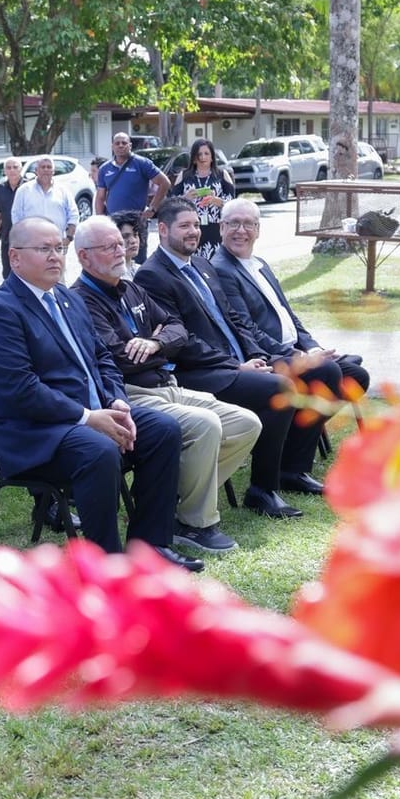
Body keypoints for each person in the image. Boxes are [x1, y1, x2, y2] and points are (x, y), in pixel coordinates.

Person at [0, 219, 196, 568]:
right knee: (99, 450)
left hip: (91, 414)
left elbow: (102, 357)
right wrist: (89, 418)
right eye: (44, 249)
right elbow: (20, 390)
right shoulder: (0, 311)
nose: (55, 257)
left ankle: (150, 547)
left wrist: (116, 401)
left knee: (163, 429)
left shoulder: (67, 298)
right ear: (15, 258)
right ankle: (107, 565)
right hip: (36, 433)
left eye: (59, 248)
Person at [73, 216, 261, 555]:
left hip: (167, 384)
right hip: (131, 394)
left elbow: (178, 328)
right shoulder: (81, 300)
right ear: (84, 257)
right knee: (206, 425)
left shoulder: (130, 287)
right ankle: (196, 523)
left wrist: (156, 344)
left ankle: (172, 505)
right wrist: (156, 340)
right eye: (108, 246)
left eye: (121, 243)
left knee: (247, 423)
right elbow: (119, 358)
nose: (121, 250)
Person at [136, 199, 319, 516]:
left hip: (238, 362)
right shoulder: (152, 276)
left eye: (195, 225)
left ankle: (291, 471)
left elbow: (233, 318)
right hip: (197, 371)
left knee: (311, 371)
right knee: (281, 388)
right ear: (162, 230)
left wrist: (256, 355)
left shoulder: (201, 265)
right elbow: (183, 342)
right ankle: (263, 490)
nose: (194, 232)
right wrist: (235, 365)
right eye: (185, 226)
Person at [213, 200, 370, 416]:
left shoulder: (260, 264)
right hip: (270, 356)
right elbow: (247, 329)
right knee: (328, 370)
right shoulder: (222, 269)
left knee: (357, 376)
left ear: (258, 230)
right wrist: (298, 355)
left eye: (249, 224)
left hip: (295, 350)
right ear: (222, 227)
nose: (241, 231)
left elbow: (287, 314)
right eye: (234, 224)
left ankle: (301, 428)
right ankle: (298, 437)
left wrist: (312, 347)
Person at [94, 132, 170, 259]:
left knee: (137, 260)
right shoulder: (104, 169)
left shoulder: (142, 163)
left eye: (124, 143)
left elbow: (165, 183)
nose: (121, 146)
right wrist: (101, 221)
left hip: (136, 221)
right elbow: (100, 197)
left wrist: (153, 208)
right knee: (114, 259)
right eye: (117, 143)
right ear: (112, 146)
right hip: (114, 222)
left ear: (130, 145)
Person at [167, 139, 236, 250]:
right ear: (194, 158)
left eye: (206, 154)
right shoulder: (184, 176)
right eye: (199, 154)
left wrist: (217, 201)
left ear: (212, 157)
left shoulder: (222, 175)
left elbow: (234, 205)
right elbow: (171, 205)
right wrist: (185, 198)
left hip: (216, 228)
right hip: (191, 230)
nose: (203, 157)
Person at [10, 156, 80, 258]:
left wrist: (68, 238)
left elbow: (73, 215)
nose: (46, 170)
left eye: (49, 167)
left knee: (57, 272)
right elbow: (16, 217)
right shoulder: (24, 190)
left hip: (57, 244)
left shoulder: (63, 190)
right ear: (36, 171)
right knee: (34, 272)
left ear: (53, 171)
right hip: (32, 244)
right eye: (42, 167)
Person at [0, 158, 24, 275]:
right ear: (5, 171)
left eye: (15, 167)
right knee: (8, 271)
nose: (12, 170)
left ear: (21, 169)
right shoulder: (0, 189)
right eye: (8, 168)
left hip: (27, 237)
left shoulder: (29, 187)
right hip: (7, 238)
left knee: (26, 270)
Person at [111, 210, 144, 279]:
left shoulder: (141, 270)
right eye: (125, 236)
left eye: (135, 235)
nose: (133, 241)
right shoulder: (112, 277)